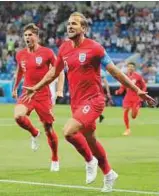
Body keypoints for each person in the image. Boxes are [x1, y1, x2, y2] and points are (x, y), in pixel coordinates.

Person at [23, 13, 155, 192]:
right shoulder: (63, 49)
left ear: (83, 28)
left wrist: (137, 90)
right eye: (69, 23)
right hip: (76, 103)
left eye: (74, 24)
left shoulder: (95, 48)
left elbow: (115, 72)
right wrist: (36, 87)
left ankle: (89, 161)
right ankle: (109, 174)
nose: (70, 26)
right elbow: (53, 73)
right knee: (91, 140)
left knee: (69, 132)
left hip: (94, 100)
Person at [12, 23, 64, 172]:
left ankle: (54, 158)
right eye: (26, 35)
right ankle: (34, 133)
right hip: (27, 92)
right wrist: (15, 88)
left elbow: (59, 71)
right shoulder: (20, 54)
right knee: (18, 116)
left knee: (48, 128)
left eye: (30, 35)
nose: (27, 37)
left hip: (42, 94)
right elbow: (19, 72)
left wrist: (60, 90)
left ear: (37, 36)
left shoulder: (47, 53)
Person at [115, 62, 147, 136]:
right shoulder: (125, 77)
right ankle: (127, 129)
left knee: (133, 116)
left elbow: (144, 86)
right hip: (128, 97)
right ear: (127, 68)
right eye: (129, 67)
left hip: (136, 98)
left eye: (132, 67)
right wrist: (119, 91)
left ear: (134, 68)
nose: (130, 68)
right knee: (125, 111)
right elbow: (122, 87)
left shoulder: (138, 76)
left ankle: (136, 109)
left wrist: (142, 93)